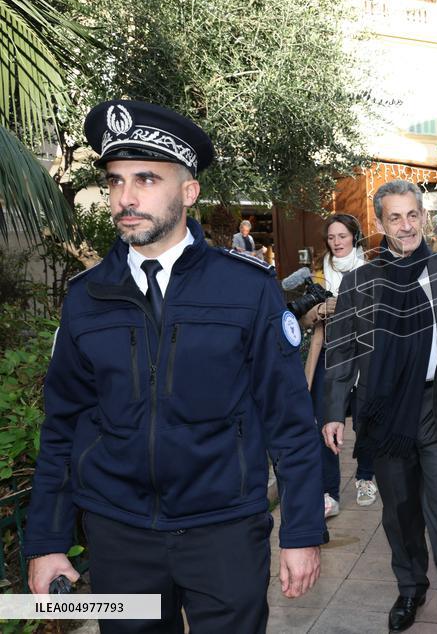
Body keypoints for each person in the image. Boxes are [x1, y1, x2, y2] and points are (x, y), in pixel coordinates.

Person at [23, 100, 326, 631]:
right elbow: (63, 425)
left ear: (188, 192)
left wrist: (301, 531)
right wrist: (48, 541)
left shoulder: (247, 289)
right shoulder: (86, 298)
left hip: (225, 529)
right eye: (116, 182)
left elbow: (289, 421)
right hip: (119, 534)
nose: (125, 198)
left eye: (146, 179)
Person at [322, 181, 437, 634]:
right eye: (395, 217)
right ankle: (411, 587)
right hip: (385, 410)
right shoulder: (360, 281)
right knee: (400, 508)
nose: (406, 225)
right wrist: (334, 411)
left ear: (423, 218)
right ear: (379, 224)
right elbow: (342, 351)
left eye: (413, 215)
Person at [300, 214, 378, 514]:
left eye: (342, 236)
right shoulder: (319, 275)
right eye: (332, 238)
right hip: (327, 358)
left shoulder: (371, 272)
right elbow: (304, 318)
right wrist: (321, 309)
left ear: (354, 238)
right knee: (323, 422)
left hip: (362, 359)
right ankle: (329, 492)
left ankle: (365, 476)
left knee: (365, 421)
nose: (337, 243)